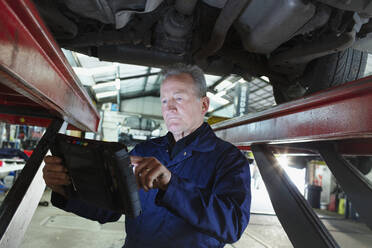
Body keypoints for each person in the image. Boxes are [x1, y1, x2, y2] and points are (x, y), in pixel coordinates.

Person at [43, 63, 251, 248]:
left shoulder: (229, 159)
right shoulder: (145, 151)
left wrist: (171, 185)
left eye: (178, 98)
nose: (169, 107)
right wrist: (66, 189)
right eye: (164, 101)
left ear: (203, 105)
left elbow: (232, 226)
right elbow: (109, 209)